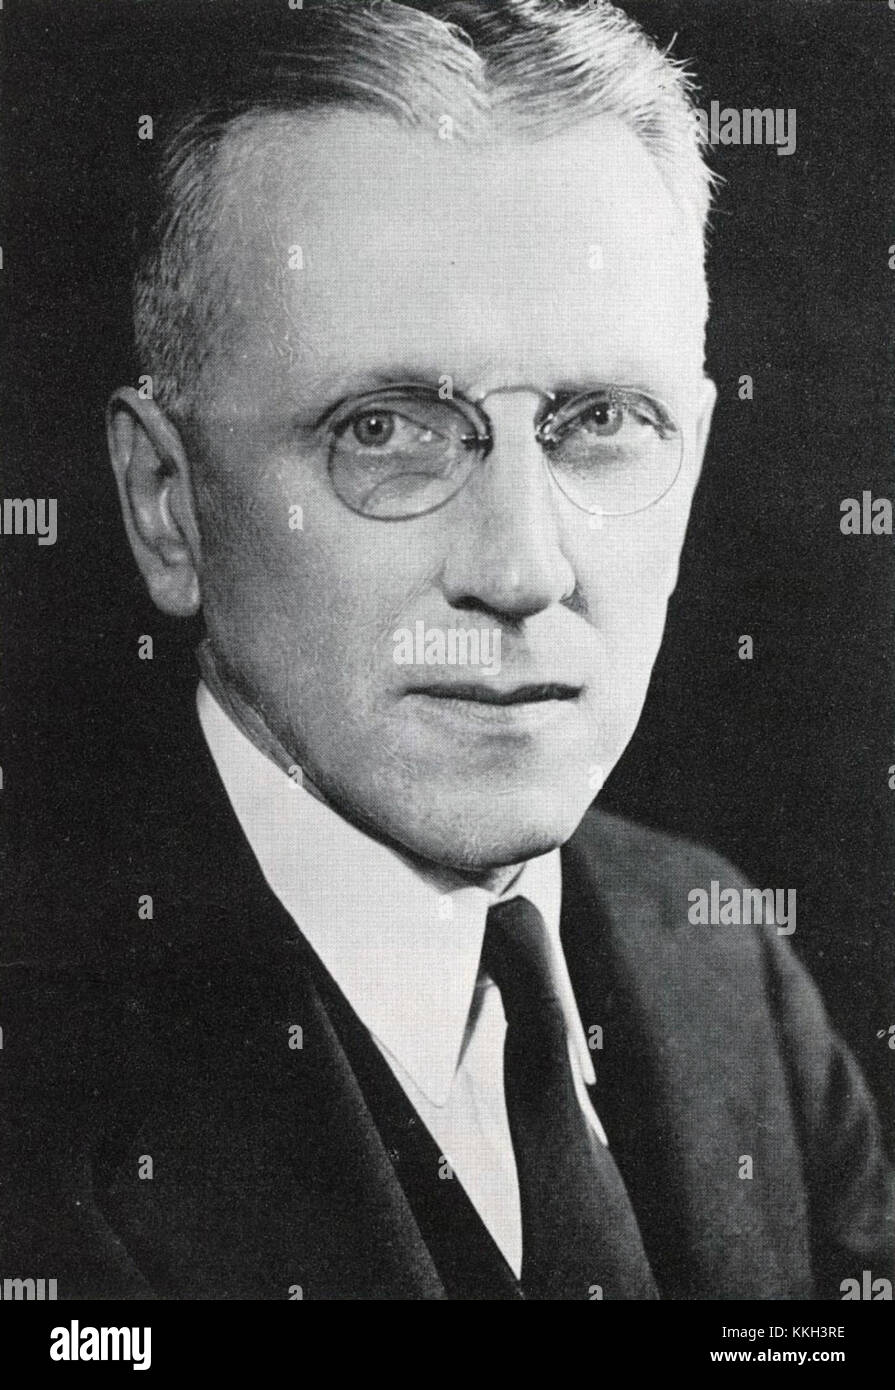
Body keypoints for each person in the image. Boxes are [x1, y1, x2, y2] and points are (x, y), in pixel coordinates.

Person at [1, 0, 892, 1301]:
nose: (523, 569)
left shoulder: (730, 969)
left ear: (693, 461)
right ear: (166, 504)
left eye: (602, 422)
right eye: (387, 429)